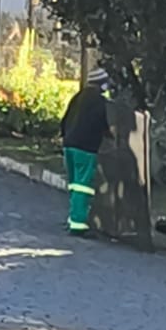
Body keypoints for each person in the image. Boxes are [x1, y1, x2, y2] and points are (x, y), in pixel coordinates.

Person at [59, 67, 113, 236]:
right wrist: (110, 135)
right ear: (101, 84)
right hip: (85, 148)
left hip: (69, 145)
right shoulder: (99, 102)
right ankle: (78, 225)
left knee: (74, 185)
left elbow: (65, 119)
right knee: (83, 187)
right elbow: (102, 123)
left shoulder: (78, 97)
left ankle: (72, 218)